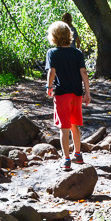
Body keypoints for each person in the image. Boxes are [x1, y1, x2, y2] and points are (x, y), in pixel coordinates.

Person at [44, 20, 90, 171]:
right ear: (69, 35)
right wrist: (87, 92)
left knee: (64, 127)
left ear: (54, 36)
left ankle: (66, 159)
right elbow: (83, 72)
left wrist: (49, 86)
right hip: (76, 94)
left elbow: (52, 71)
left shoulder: (52, 53)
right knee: (74, 125)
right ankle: (78, 154)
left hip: (62, 94)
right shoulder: (77, 53)